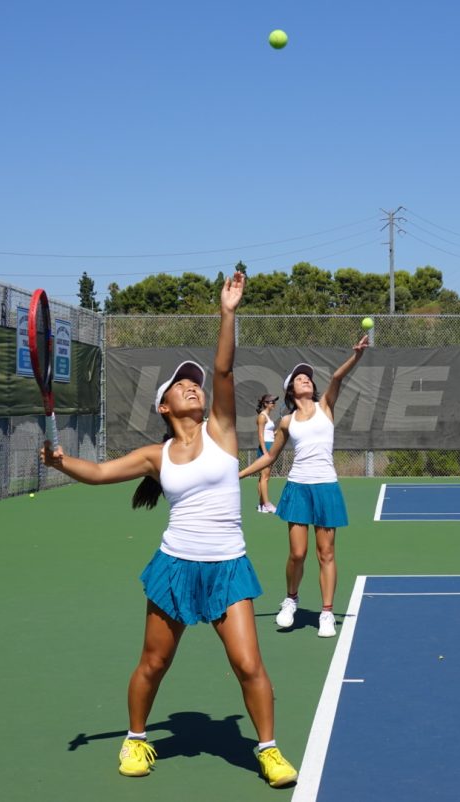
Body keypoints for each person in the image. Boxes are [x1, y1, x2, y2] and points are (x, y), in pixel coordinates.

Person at [40, 272, 297, 788]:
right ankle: (136, 739)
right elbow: (99, 474)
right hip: (175, 566)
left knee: (249, 663)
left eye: (194, 382)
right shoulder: (154, 456)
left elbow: (223, 368)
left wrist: (227, 313)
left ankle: (268, 750)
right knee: (154, 662)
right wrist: (61, 463)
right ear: (164, 406)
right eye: (181, 384)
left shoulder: (221, 430)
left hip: (227, 567)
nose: (192, 385)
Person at [240, 334, 369, 639]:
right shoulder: (286, 422)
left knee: (326, 553)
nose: (306, 381)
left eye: (308, 378)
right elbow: (270, 457)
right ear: (291, 389)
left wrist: (356, 356)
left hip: (326, 487)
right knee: (297, 554)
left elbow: (337, 377)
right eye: (300, 378)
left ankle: (326, 612)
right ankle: (291, 599)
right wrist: (240, 473)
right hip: (298, 487)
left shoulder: (326, 406)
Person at [255, 394, 279, 513]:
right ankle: (267, 504)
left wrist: (278, 432)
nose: (273, 403)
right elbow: (260, 435)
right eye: (271, 402)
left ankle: (261, 505)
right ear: (265, 403)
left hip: (270, 445)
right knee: (265, 477)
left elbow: (268, 433)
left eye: (274, 402)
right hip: (266, 447)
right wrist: (265, 451)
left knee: (264, 477)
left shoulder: (268, 417)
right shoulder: (262, 417)